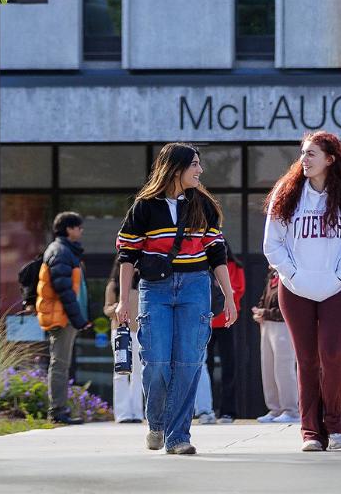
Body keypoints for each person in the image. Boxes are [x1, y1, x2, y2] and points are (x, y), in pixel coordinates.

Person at [115, 143, 237, 456]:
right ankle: (156, 422)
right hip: (154, 289)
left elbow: (216, 253)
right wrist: (122, 301)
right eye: (194, 164)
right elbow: (127, 254)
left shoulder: (204, 205)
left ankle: (178, 436)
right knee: (155, 362)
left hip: (196, 287)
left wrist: (229, 295)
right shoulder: (144, 206)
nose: (200, 170)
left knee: (188, 363)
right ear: (176, 167)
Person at [263, 131, 341, 452]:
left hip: (336, 289)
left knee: (331, 355)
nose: (304, 160)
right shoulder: (288, 193)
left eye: (311, 154)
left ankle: (336, 427)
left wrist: (339, 277)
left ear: (330, 159)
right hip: (294, 290)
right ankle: (311, 431)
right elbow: (272, 244)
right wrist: (293, 274)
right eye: (302, 153)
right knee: (306, 359)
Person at [37, 211, 90, 425]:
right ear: (69, 229)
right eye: (78, 227)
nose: (81, 230)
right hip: (62, 317)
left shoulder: (65, 251)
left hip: (65, 316)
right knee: (59, 364)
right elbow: (64, 291)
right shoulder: (61, 251)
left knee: (61, 363)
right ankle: (57, 411)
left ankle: (59, 409)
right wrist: (78, 319)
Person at [195, 257, 246, 424]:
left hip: (226, 321)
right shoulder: (203, 264)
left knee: (228, 367)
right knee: (204, 367)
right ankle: (207, 409)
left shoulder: (234, 266)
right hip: (207, 321)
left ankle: (228, 411)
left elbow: (238, 290)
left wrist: (223, 290)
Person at [252, 267, 300, 424]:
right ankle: (275, 409)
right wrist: (259, 311)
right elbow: (263, 299)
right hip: (267, 325)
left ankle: (291, 410)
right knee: (268, 368)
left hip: (284, 326)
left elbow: (289, 307)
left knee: (283, 369)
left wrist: (265, 313)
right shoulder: (272, 276)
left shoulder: (289, 275)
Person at [103, 262, 144, 424]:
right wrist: (117, 307)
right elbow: (106, 309)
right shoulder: (114, 285)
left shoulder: (142, 284)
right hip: (120, 332)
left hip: (140, 333)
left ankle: (137, 413)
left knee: (138, 373)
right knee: (120, 371)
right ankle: (122, 413)